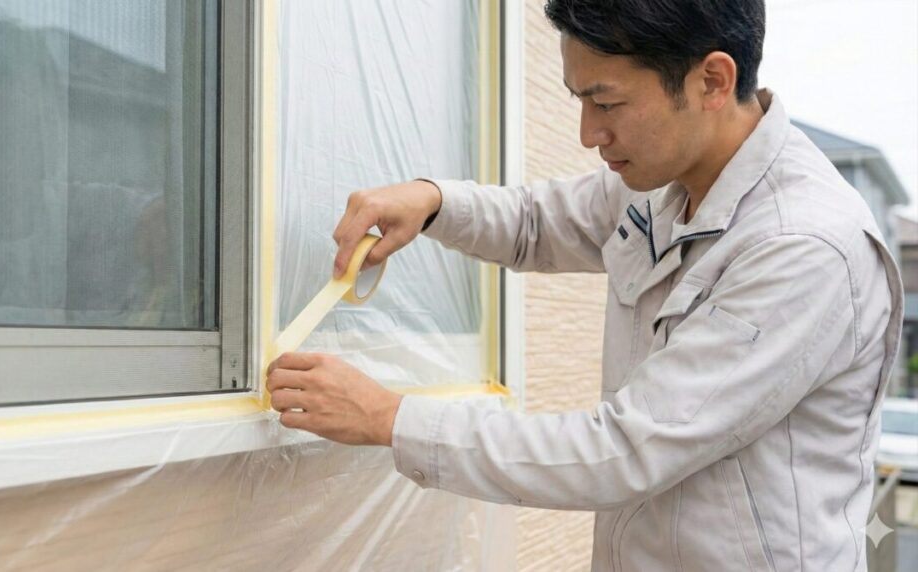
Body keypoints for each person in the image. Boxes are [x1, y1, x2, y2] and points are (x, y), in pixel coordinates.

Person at [266, 1, 903, 569]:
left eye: (607, 103)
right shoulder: (669, 182)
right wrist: (433, 202)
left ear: (712, 80)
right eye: (579, 101)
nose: (588, 134)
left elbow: (624, 450)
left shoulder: (802, 247)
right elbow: (535, 222)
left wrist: (389, 418)